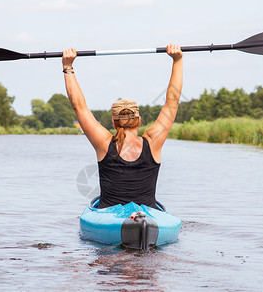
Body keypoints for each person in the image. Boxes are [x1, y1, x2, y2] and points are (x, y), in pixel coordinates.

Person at [62, 44, 183, 209]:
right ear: (139, 120)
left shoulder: (104, 143)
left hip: (110, 217)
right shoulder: (153, 142)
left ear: (113, 122)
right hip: (148, 216)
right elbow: (172, 102)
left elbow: (79, 106)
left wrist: (68, 67)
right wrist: (177, 60)